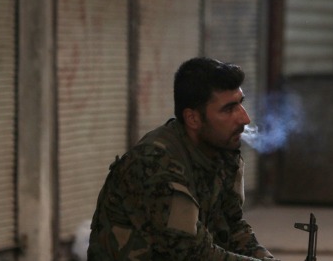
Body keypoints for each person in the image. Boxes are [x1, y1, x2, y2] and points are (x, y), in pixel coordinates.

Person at [88, 57, 279, 260]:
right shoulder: (155, 162)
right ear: (193, 119)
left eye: (240, 104)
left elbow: (232, 226)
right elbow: (192, 253)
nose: (244, 118)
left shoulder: (222, 153)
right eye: (228, 109)